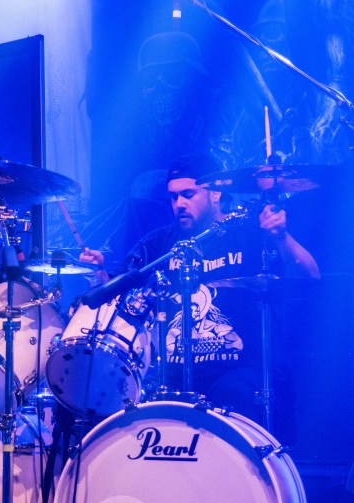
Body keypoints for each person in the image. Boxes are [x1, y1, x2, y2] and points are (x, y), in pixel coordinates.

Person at [79, 153, 320, 440]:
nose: (179, 204)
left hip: (237, 370)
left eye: (188, 194)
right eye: (173, 197)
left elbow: (309, 275)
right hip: (172, 376)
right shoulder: (159, 244)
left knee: (237, 393)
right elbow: (119, 295)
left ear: (215, 193)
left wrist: (281, 237)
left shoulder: (249, 233)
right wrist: (99, 275)